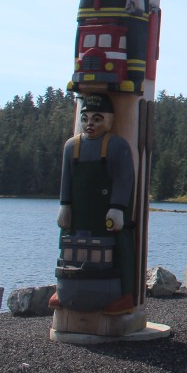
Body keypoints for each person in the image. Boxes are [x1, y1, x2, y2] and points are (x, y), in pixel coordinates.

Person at [53, 93, 137, 313]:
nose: (90, 123)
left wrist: (118, 207)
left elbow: (124, 179)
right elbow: (66, 179)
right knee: (66, 241)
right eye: (85, 118)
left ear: (108, 119)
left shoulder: (117, 146)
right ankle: (63, 287)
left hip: (107, 210)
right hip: (79, 210)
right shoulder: (72, 146)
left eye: (97, 118)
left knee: (120, 244)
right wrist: (65, 204)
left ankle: (126, 294)